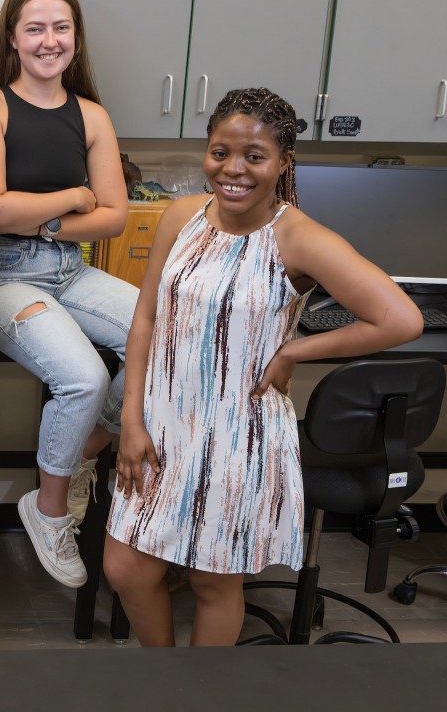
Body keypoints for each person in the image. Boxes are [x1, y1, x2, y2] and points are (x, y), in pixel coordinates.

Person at [104, 88, 424, 647]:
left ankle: (194, 689)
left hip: (238, 433)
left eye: (254, 156)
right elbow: (146, 320)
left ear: (282, 162)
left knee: (211, 580)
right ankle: (161, 677)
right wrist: (131, 419)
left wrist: (293, 351)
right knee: (126, 568)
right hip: (162, 423)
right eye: (220, 152)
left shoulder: (297, 238)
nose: (233, 169)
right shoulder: (180, 216)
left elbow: (401, 318)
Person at [0, 0, 136, 588]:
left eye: (61, 27)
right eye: (34, 28)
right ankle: (49, 509)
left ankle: (83, 453)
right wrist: (75, 196)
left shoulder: (91, 115)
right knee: (84, 377)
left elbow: (115, 217)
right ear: (12, 37)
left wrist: (48, 221)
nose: (49, 40)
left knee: (164, 335)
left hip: (70, 268)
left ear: (76, 38)